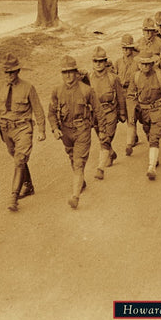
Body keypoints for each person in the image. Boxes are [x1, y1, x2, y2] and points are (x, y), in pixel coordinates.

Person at [0, 53, 46, 212]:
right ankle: (28, 185)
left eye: (12, 72)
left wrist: (41, 129)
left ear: (18, 71)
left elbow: (38, 109)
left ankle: (13, 197)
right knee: (18, 158)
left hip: (23, 128)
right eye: (6, 72)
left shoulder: (28, 88)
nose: (9, 75)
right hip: (6, 129)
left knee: (19, 159)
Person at [48, 55, 107, 209]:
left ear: (76, 72)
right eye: (64, 72)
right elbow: (51, 113)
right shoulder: (57, 91)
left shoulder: (86, 90)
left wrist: (102, 131)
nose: (68, 75)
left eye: (70, 71)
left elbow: (99, 111)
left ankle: (75, 196)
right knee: (72, 157)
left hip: (82, 130)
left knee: (79, 162)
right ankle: (81, 181)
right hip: (65, 131)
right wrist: (55, 128)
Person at [126, 50, 161, 180]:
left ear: (152, 64)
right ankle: (154, 156)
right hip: (144, 111)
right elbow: (130, 96)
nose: (145, 66)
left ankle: (151, 167)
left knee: (154, 137)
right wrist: (131, 114)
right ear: (139, 64)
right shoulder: (135, 77)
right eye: (143, 64)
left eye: (148, 64)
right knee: (148, 133)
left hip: (159, 109)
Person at [87, 46, 126, 180]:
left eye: (101, 61)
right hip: (95, 114)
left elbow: (120, 96)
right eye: (95, 61)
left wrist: (122, 112)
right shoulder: (89, 78)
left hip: (110, 112)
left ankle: (100, 168)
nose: (98, 64)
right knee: (101, 137)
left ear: (105, 62)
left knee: (105, 139)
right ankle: (111, 153)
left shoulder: (113, 78)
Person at [113, 34, 139, 155]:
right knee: (124, 115)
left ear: (132, 48)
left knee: (131, 117)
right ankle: (134, 135)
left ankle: (129, 144)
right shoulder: (118, 62)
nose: (126, 51)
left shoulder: (137, 62)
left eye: (128, 48)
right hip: (121, 92)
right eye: (124, 48)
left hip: (132, 92)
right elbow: (114, 77)